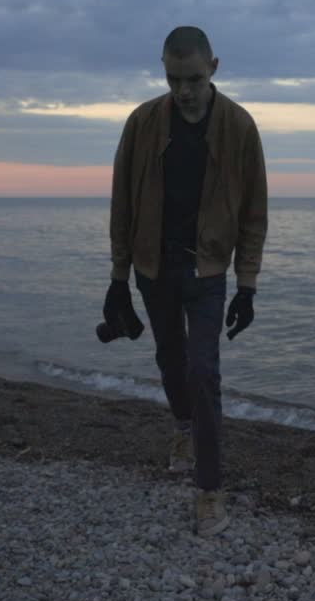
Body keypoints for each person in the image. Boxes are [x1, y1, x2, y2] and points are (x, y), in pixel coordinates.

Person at [104, 26, 268, 537]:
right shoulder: (143, 123)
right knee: (170, 362)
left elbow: (254, 212)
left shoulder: (240, 127)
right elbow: (122, 203)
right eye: (174, 79)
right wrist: (117, 277)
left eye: (193, 78)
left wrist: (247, 285)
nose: (184, 90)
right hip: (154, 269)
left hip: (208, 272)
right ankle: (182, 427)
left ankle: (209, 490)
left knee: (203, 371)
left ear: (214, 68)